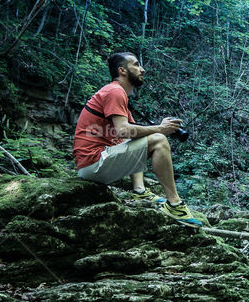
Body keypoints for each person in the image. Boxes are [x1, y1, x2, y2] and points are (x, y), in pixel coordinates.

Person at [72, 52, 201, 226]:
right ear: (122, 70)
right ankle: (175, 205)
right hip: (93, 163)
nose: (143, 69)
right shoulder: (115, 92)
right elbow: (124, 131)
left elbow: (134, 136)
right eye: (136, 64)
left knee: (148, 136)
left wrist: (158, 128)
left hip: (94, 163)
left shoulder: (118, 94)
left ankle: (139, 190)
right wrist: (161, 129)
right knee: (159, 139)